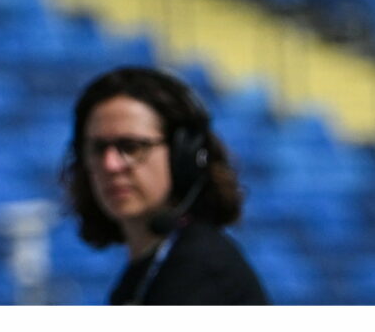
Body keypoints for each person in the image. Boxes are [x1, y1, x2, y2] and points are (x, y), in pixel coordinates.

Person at [62, 65, 270, 305]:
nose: (110, 165)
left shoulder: (202, 269)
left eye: (131, 147)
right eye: (97, 149)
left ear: (184, 155)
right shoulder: (146, 274)